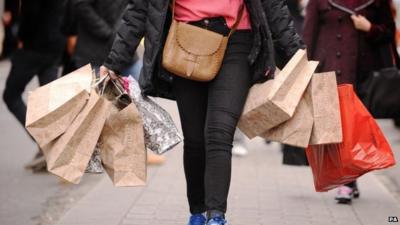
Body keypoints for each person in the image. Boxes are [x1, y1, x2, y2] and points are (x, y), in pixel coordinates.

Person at [100, 0, 304, 224]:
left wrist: (296, 53)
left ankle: (217, 216)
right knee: (195, 139)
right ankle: (197, 211)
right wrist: (115, 62)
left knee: (219, 132)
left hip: (236, 42)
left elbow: (273, 4)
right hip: (185, 41)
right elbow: (140, 9)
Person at [304, 0, 398, 204]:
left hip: (362, 74)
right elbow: (309, 34)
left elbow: (389, 33)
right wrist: (304, 70)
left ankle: (348, 181)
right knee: (335, 131)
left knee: (354, 130)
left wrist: (369, 28)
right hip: (328, 71)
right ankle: (345, 181)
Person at [2, 0, 66, 172]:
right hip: (55, 45)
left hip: (34, 46)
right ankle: (53, 147)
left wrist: (21, 38)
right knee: (47, 101)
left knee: (11, 95)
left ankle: (45, 143)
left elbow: (31, 13)